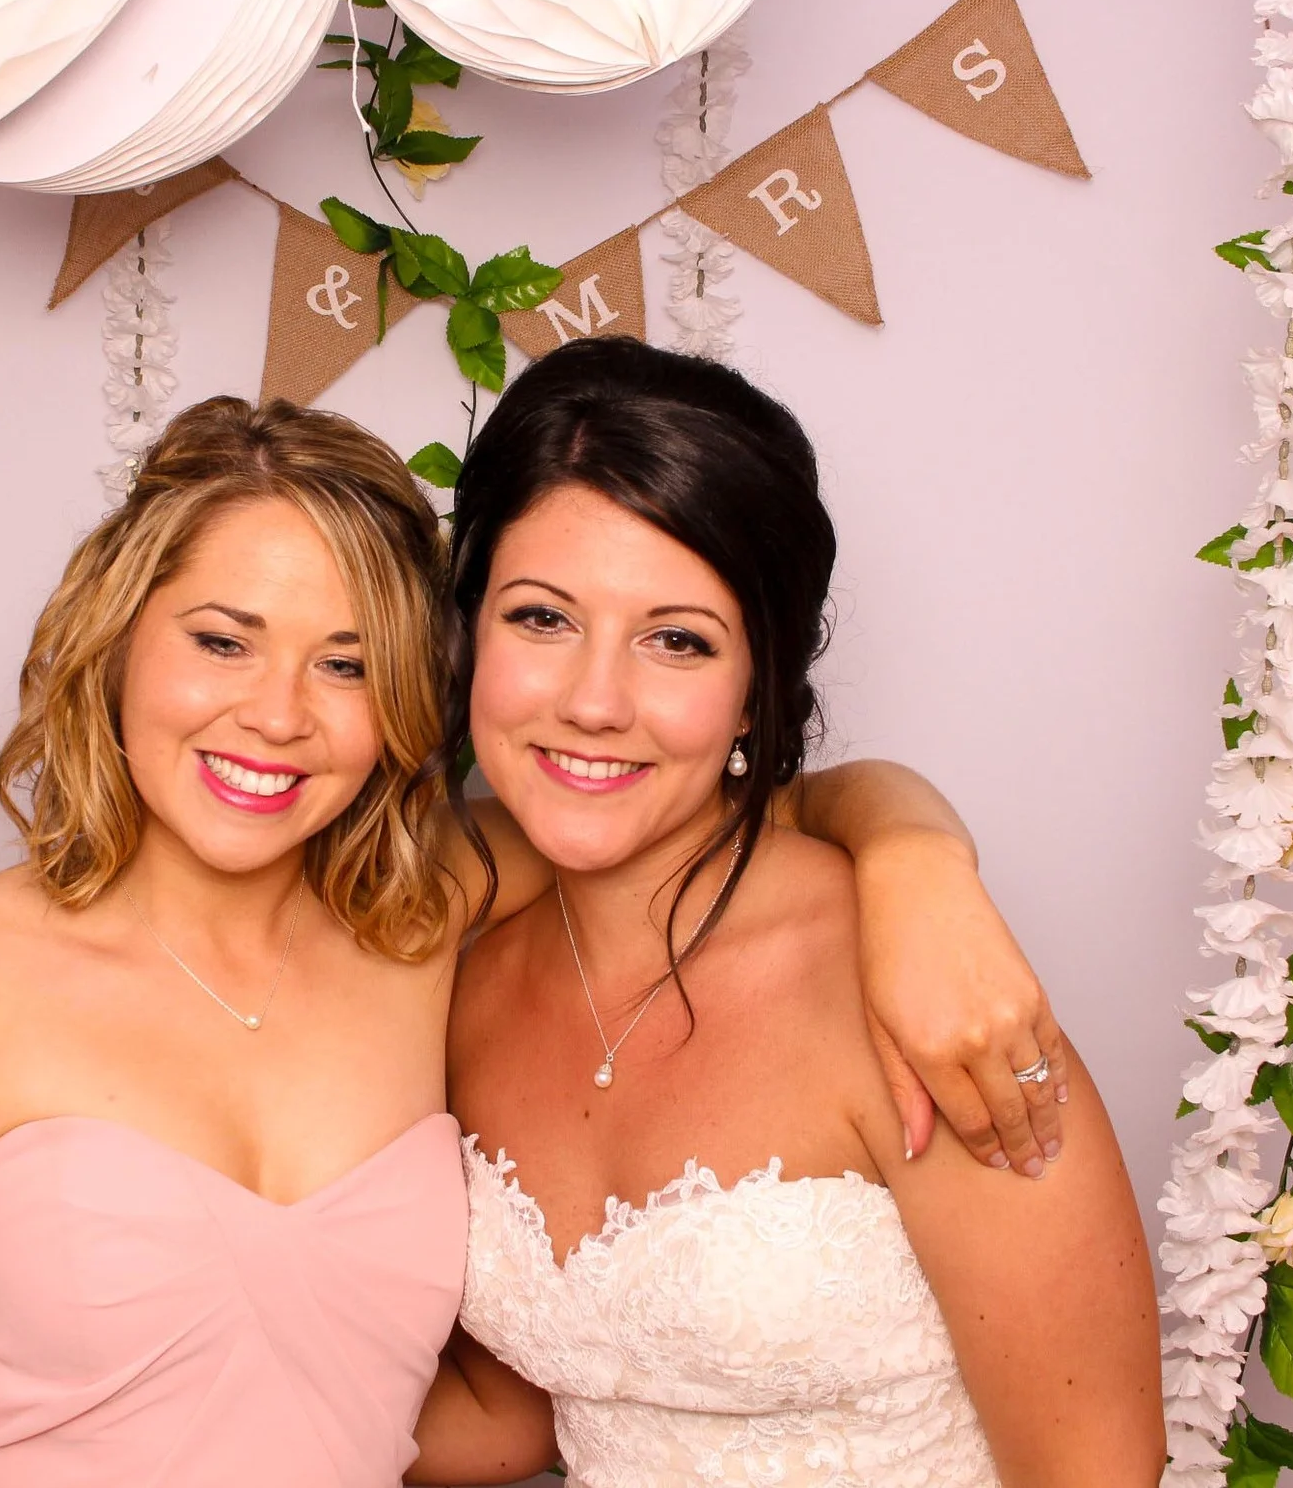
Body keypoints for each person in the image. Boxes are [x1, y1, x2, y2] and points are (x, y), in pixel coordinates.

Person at [0, 395, 1067, 1488]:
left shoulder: (430, 920)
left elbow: (720, 803)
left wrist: (915, 858)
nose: (277, 714)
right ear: (117, 638)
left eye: (347, 662)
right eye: (222, 640)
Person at [414, 340, 1164, 1486]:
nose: (594, 700)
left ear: (756, 683)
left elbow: (1094, 1471)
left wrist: (914, 850)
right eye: (542, 618)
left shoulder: (918, 991)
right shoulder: (455, 971)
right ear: (468, 633)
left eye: (677, 639)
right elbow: (514, 1414)